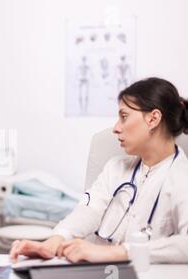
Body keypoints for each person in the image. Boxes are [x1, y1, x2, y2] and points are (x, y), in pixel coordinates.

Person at [10, 77, 188, 264]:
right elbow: (90, 209)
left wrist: (121, 253)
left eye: (124, 116)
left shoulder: (182, 178)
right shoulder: (116, 167)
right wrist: (55, 240)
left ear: (153, 119)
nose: (116, 128)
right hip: (99, 276)